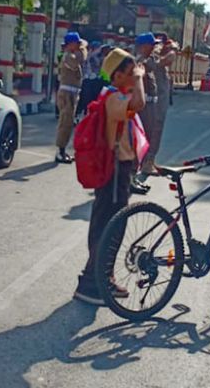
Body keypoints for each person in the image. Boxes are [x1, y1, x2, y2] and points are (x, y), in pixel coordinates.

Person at [73, 48, 147, 305]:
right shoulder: (114, 98)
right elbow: (139, 104)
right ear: (116, 76)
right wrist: (139, 78)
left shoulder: (115, 95)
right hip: (114, 170)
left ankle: (101, 278)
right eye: (128, 72)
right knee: (109, 225)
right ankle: (93, 283)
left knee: (108, 222)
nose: (133, 76)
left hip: (118, 168)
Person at [133, 32, 177, 191]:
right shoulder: (144, 60)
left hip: (157, 102)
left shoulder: (150, 58)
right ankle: (141, 167)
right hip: (150, 105)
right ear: (144, 46)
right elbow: (165, 60)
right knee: (146, 136)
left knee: (153, 135)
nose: (155, 47)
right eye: (153, 44)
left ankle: (147, 163)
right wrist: (168, 49)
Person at [55, 32, 87, 164]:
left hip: (73, 94)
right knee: (65, 123)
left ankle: (63, 150)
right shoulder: (68, 56)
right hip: (66, 94)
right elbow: (79, 60)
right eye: (77, 43)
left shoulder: (73, 54)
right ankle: (60, 152)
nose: (79, 45)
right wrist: (83, 48)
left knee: (68, 124)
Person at [75, 41, 108, 123]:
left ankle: (89, 116)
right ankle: (81, 116)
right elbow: (93, 63)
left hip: (95, 80)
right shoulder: (89, 56)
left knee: (93, 99)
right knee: (85, 99)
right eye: (98, 48)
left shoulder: (99, 57)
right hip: (88, 80)